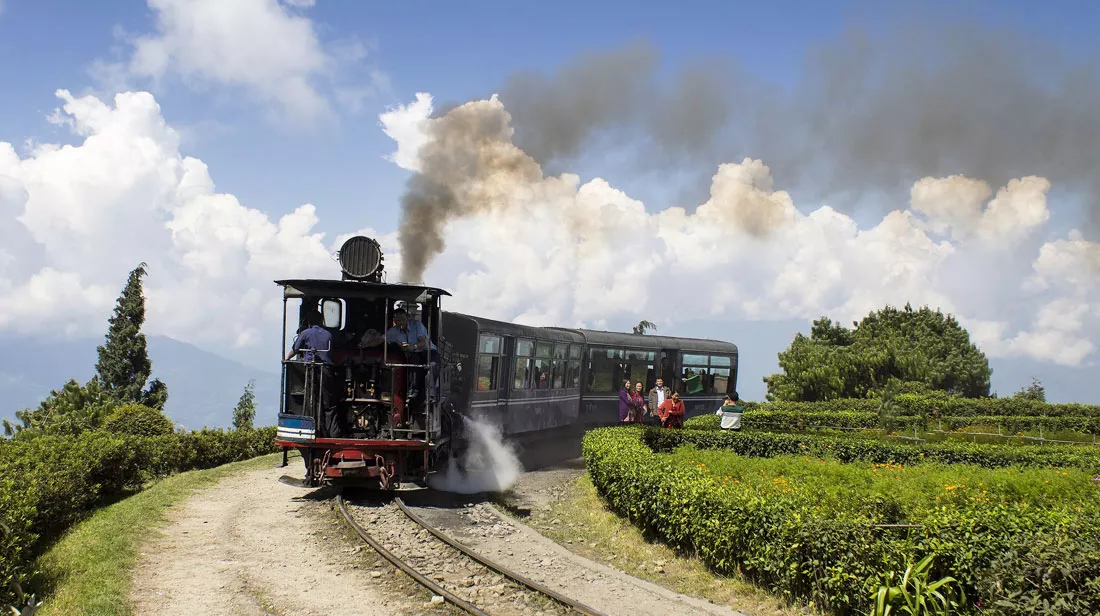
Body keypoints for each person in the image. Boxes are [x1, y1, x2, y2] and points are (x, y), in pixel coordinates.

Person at [286, 310, 345, 438]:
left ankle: (314, 432)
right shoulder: (329, 334)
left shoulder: (306, 333)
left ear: (308, 322)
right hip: (327, 370)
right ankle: (333, 434)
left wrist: (286, 359)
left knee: (312, 401)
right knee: (329, 404)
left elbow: (295, 349)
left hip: (311, 371)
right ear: (321, 321)